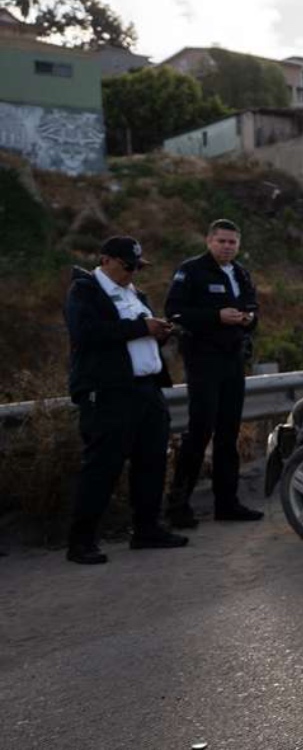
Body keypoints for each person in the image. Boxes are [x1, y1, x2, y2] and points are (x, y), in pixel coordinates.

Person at [64, 236, 189, 564]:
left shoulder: (136, 294)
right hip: (109, 392)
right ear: (105, 260)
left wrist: (159, 332)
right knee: (102, 467)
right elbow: (86, 333)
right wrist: (141, 327)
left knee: (151, 462)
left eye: (137, 267)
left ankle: (147, 530)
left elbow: (138, 337)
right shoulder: (85, 291)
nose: (132, 272)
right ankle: (81, 542)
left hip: (147, 388)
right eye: (127, 266)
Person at [164, 218, 263, 526]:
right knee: (200, 431)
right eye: (222, 241)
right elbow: (175, 312)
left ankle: (227, 503)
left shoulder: (240, 273)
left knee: (228, 434)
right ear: (209, 241)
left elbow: (253, 308)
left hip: (234, 360)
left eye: (232, 242)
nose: (227, 247)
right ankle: (178, 506)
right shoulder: (192, 270)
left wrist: (248, 318)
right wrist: (216, 316)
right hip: (203, 361)